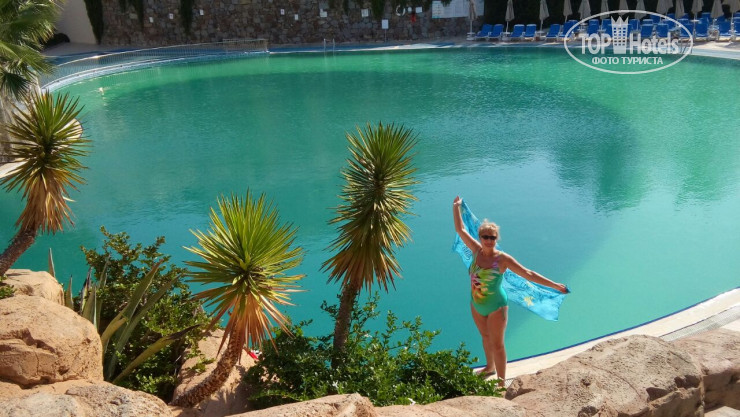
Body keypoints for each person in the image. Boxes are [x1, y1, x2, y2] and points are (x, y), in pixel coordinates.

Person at [452, 196, 568, 385]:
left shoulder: (502, 259)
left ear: (496, 239)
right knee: (485, 337)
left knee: (497, 345)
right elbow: (460, 229)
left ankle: (501, 383)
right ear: (480, 237)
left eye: (492, 237)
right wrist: (456, 207)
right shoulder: (475, 250)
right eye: (485, 237)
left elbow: (528, 273)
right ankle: (489, 367)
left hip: (496, 307)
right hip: (476, 305)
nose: (489, 240)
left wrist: (555, 285)